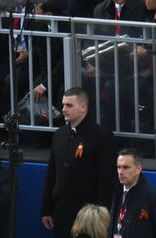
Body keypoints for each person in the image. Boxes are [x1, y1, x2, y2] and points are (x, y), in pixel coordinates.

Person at [40, 88, 117, 238]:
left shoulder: (102, 136)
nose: (63, 109)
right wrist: (47, 209)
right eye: (63, 105)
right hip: (61, 212)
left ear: (83, 108)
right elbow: (52, 174)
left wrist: (100, 216)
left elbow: (107, 180)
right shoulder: (59, 134)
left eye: (69, 105)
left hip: (87, 216)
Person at [108, 150, 156, 238]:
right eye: (118, 167)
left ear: (138, 169)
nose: (120, 172)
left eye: (126, 167)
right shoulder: (116, 193)